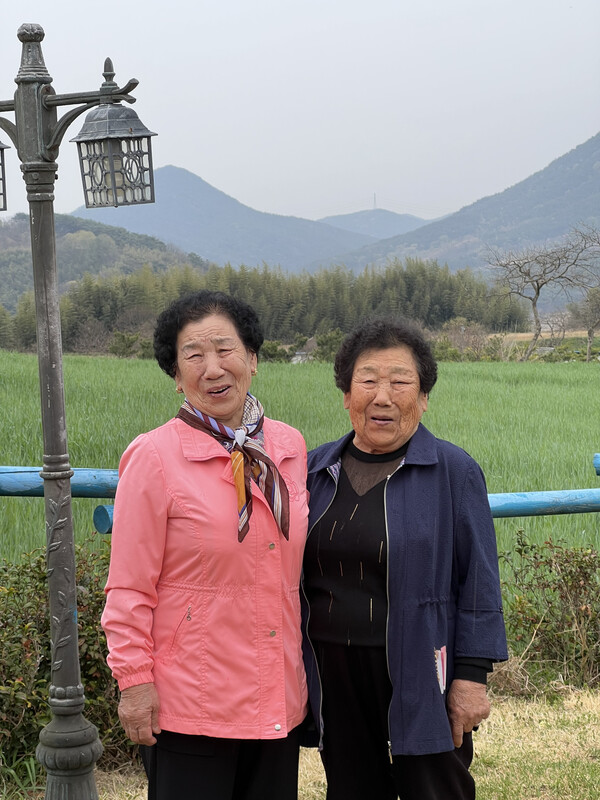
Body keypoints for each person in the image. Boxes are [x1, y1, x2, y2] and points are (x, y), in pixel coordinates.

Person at [101, 290, 309, 800]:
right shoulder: (153, 457)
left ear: (253, 359)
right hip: (192, 700)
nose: (212, 367)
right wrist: (134, 682)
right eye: (193, 355)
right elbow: (128, 589)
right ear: (176, 375)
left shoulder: (286, 447)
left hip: (277, 691)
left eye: (225, 349)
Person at [301, 318, 508, 800]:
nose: (383, 396)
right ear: (346, 395)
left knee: (434, 787)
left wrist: (471, 678)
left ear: (424, 396)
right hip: (335, 671)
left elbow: (478, 580)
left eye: (400, 382)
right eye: (368, 380)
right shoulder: (312, 470)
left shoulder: (452, 471)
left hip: (423, 664)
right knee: (352, 789)